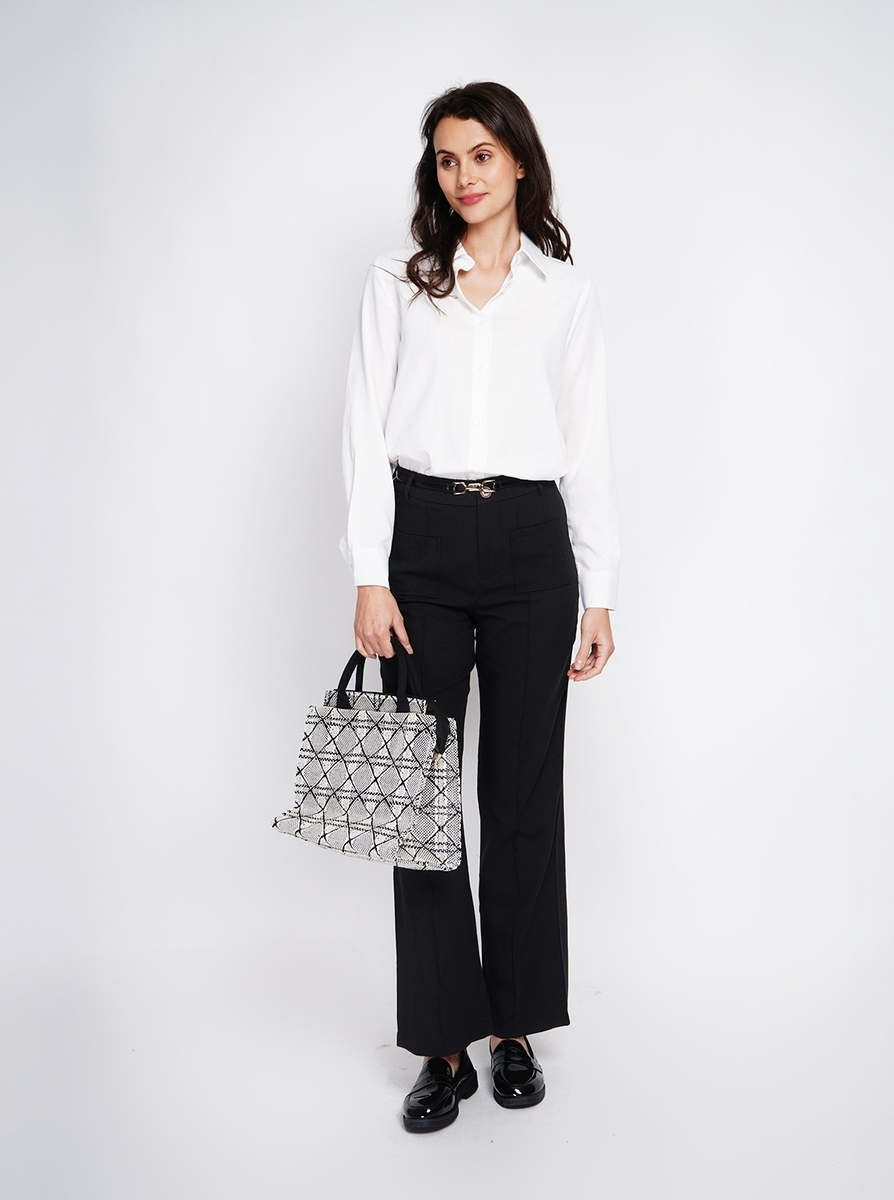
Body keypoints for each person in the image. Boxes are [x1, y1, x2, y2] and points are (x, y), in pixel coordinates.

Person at [340, 81, 619, 1133]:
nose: (463, 175)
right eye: (448, 159)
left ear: (518, 164)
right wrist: (370, 571)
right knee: (421, 799)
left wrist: (600, 589)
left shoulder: (565, 293)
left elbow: (588, 447)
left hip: (533, 548)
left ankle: (513, 1028)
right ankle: (442, 1042)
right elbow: (364, 429)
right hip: (422, 542)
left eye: (482, 156)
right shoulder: (398, 282)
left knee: (522, 796)